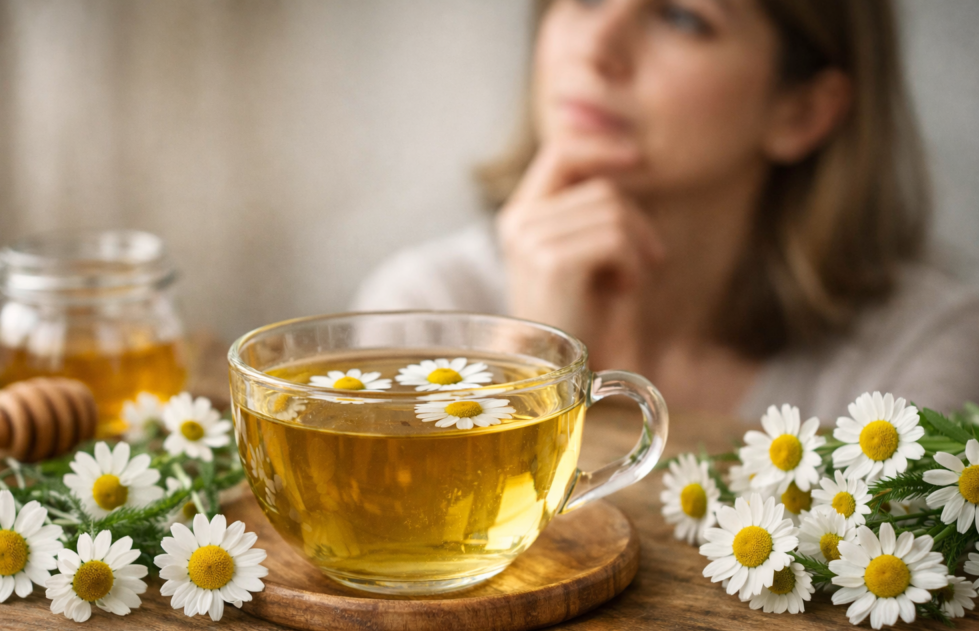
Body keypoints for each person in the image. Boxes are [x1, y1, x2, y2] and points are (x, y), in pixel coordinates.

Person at [352, 0, 979, 422]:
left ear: (803, 112)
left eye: (682, 17)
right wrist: (533, 362)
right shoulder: (420, 312)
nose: (596, 48)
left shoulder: (920, 351)